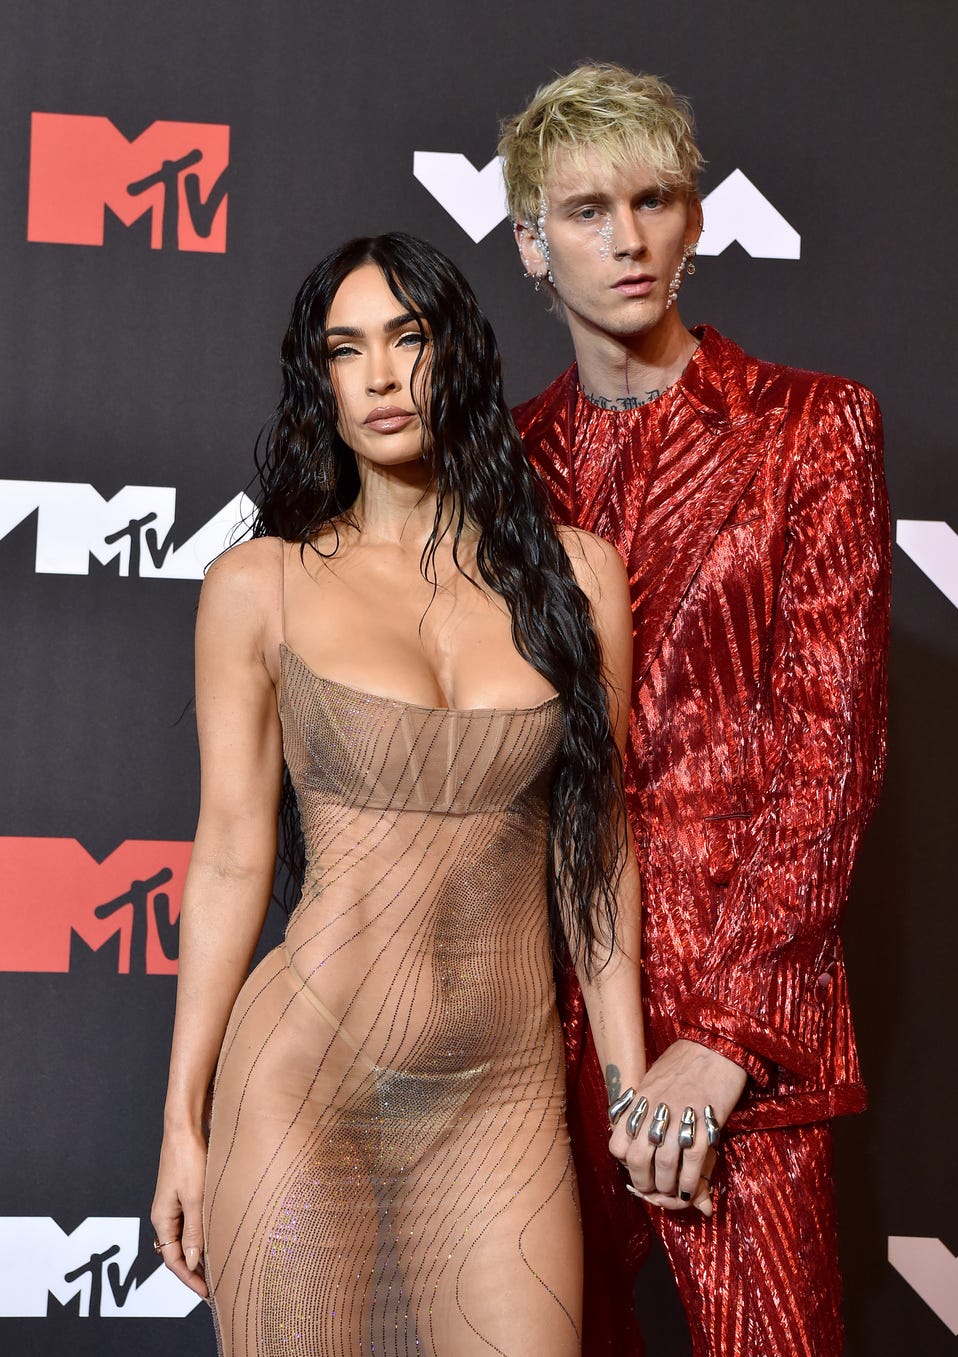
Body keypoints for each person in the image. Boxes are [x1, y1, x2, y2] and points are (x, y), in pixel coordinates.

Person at [150, 231, 667, 1357]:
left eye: (408, 338)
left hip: (499, 1093)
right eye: (346, 350)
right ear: (318, 381)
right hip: (302, 1081)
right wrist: (181, 1125)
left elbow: (598, 843)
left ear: (458, 356)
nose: (381, 376)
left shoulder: (580, 577)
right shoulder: (260, 586)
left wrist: (627, 1084)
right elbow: (233, 858)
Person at [499, 64, 890, 1357]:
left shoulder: (811, 431)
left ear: (697, 220)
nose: (628, 237)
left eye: (655, 199)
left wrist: (726, 1037)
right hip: (525, 1042)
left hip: (742, 1044)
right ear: (529, 245)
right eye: (589, 209)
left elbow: (830, 752)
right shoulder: (499, 470)